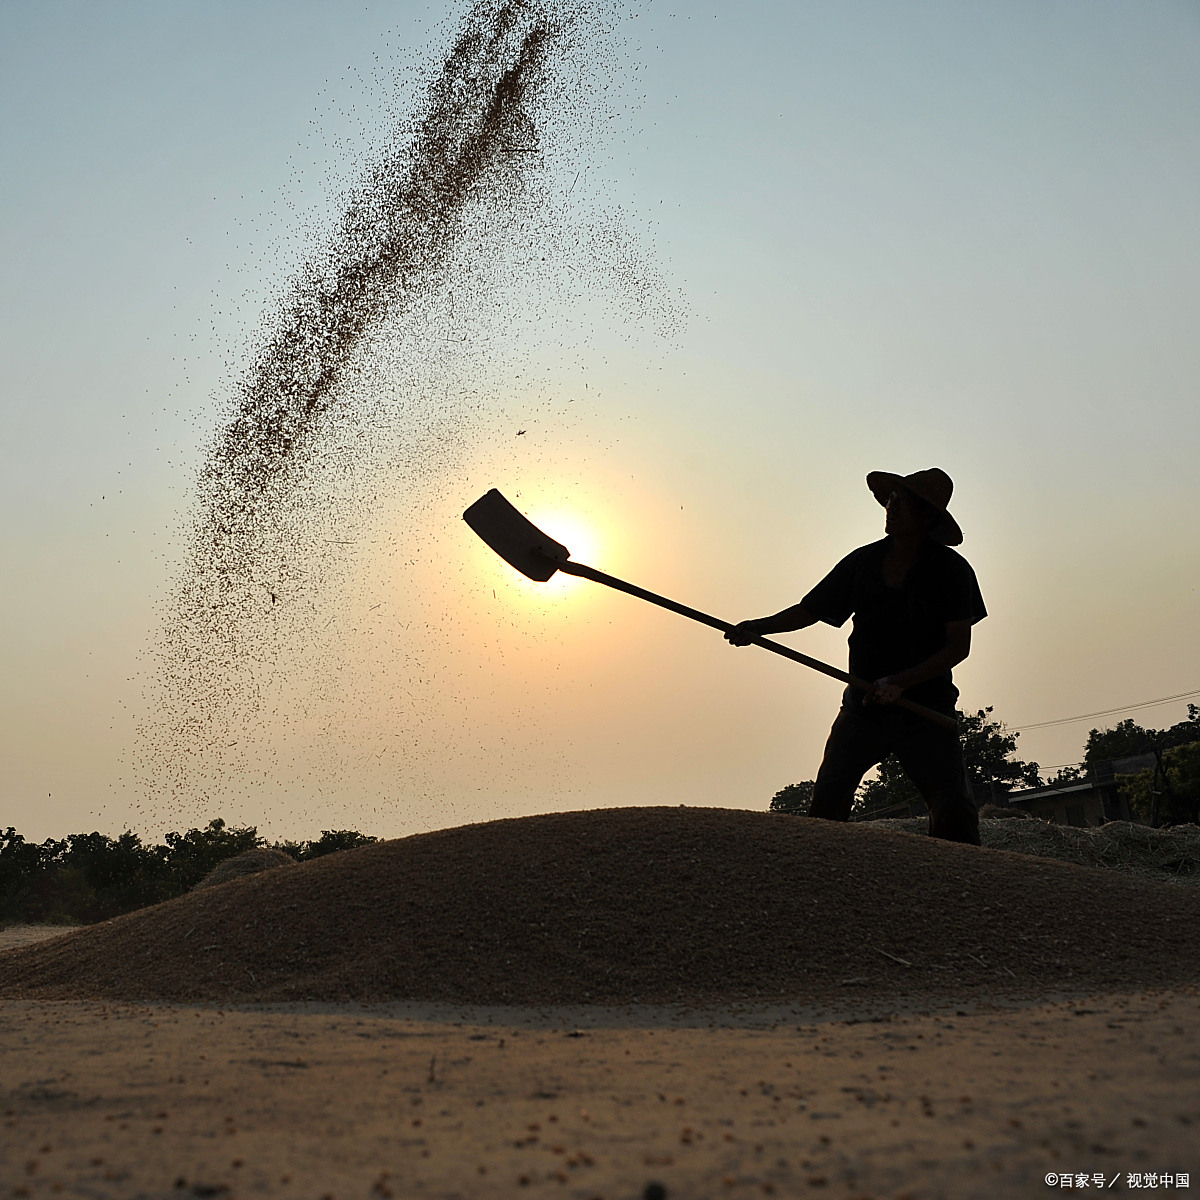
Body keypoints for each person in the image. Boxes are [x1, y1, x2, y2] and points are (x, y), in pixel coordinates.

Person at [725, 468, 986, 845]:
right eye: (890, 499)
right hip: (864, 708)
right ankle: (821, 874)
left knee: (954, 812)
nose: (890, 506)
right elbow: (809, 609)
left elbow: (958, 647)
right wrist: (757, 628)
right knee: (828, 800)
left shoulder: (951, 571)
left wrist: (901, 683)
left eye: (902, 501)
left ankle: (966, 886)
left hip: (926, 709)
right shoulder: (863, 562)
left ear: (926, 515)